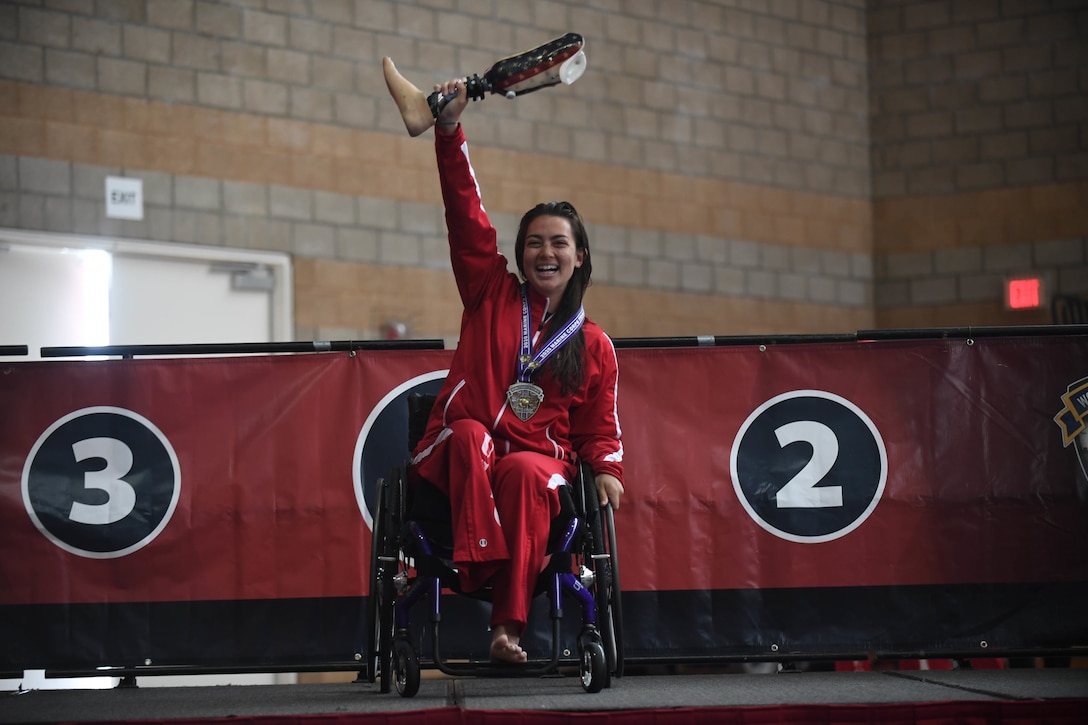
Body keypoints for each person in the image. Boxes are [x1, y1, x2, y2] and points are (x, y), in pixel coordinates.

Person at [408, 78, 625, 664]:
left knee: (530, 470)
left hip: (531, 471)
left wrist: (606, 469)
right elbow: (465, 214)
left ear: (579, 256)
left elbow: (598, 428)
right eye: (533, 242)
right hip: (455, 454)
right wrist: (449, 132)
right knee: (475, 434)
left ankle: (506, 630)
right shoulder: (488, 293)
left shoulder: (593, 345)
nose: (545, 252)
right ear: (520, 252)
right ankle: (483, 561)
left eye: (558, 242)